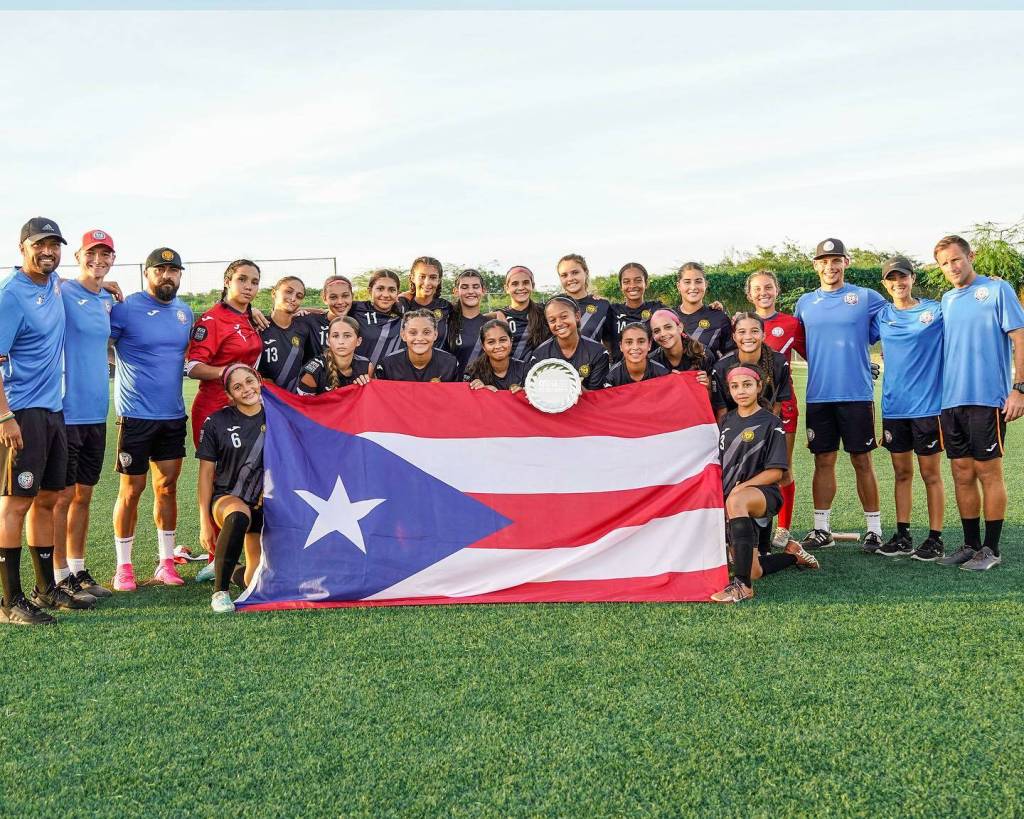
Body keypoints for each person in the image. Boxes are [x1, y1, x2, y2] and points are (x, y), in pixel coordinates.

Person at [0, 218, 95, 626]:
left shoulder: (55, 285)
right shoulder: (10, 296)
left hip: (54, 411)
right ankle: (9, 601)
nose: (49, 252)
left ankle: (45, 589)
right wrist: (5, 417)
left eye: (55, 245)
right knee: (15, 503)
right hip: (21, 412)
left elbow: (80, 285)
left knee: (50, 498)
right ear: (23, 248)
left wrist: (105, 287)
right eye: (41, 245)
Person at [934, 235, 1024, 571]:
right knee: (961, 472)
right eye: (945, 263)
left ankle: (991, 548)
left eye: (956, 259)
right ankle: (970, 544)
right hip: (951, 400)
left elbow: (1019, 337)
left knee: (989, 472)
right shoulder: (946, 300)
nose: (952, 267)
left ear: (970, 256)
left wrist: (1020, 389)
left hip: (987, 399)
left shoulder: (998, 290)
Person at [109, 247, 194, 591]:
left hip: (172, 416)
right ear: (147, 273)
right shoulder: (126, 308)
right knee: (131, 490)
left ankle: (166, 562)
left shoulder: (185, 313)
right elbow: (95, 337)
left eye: (174, 271)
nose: (167, 276)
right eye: (161, 270)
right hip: (135, 416)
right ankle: (124, 567)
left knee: (167, 488)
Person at [794, 238, 886, 553]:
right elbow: (803, 344)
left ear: (846, 262)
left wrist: (867, 360)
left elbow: (894, 322)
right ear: (815, 265)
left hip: (857, 393)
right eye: (824, 261)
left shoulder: (865, 297)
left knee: (862, 459)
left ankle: (874, 530)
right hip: (819, 395)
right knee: (823, 459)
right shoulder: (805, 302)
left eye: (836, 260)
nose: (830, 267)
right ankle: (822, 529)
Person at [711, 365, 819, 604]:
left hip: (764, 494)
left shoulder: (771, 422)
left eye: (747, 385)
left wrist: (741, 487)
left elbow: (777, 473)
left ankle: (742, 587)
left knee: (737, 500)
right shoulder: (726, 420)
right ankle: (793, 555)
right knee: (754, 570)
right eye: (735, 386)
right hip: (733, 498)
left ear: (759, 387)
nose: (741, 391)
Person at [52, 229, 118, 602]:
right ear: (78, 255)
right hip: (65, 410)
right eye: (91, 254)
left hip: (96, 412)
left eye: (105, 254)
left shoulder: (106, 301)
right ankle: (59, 574)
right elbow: (41, 284)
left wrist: (107, 285)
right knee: (61, 497)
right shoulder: (62, 292)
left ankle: (78, 569)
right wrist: (61, 279)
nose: (98, 260)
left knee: (84, 496)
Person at [870, 257, 946, 560]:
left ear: (912, 279)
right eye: (891, 279)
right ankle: (903, 536)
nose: (897, 283)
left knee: (931, 474)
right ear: (885, 284)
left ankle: (935, 538)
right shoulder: (881, 315)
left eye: (902, 278)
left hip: (927, 407)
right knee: (902, 473)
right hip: (894, 407)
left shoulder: (935, 311)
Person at [196, 364, 266, 613]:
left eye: (249, 381)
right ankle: (220, 592)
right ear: (229, 395)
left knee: (255, 583)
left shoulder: (278, 414)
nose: (246, 389)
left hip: (266, 505)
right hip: (229, 499)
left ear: (258, 379)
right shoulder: (217, 422)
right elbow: (205, 474)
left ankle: (227, 568)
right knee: (237, 517)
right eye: (238, 387)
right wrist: (205, 520)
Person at [745, 270, 805, 549]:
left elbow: (813, 354)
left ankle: (783, 528)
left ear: (777, 290)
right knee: (752, 468)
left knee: (782, 470)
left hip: (784, 406)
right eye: (757, 289)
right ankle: (753, 529)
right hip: (749, 408)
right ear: (749, 294)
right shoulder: (743, 323)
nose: (763, 292)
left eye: (768, 287)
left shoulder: (792, 324)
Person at [185, 260, 263, 447]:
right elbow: (193, 367)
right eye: (242, 279)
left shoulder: (249, 316)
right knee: (217, 474)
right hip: (215, 408)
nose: (248, 286)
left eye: (254, 282)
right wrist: (232, 371)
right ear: (227, 281)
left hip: (246, 405)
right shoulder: (212, 319)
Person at [711, 313, 791, 420]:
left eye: (754, 331)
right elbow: (722, 410)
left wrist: (768, 429)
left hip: (767, 424)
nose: (748, 337)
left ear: (763, 336)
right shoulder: (721, 367)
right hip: (733, 427)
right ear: (734, 337)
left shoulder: (779, 362)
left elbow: (777, 404)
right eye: (742, 332)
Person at [529, 296, 610, 390]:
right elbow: (537, 392)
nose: (558, 323)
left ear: (577, 316)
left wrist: (572, 386)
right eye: (552, 320)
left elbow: (598, 397)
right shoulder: (539, 355)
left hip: (587, 404)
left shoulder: (598, 352)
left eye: (564, 317)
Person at [258, 276, 317, 392]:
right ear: (274, 293)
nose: (293, 298)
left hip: (293, 400)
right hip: (265, 398)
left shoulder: (303, 328)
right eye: (288, 292)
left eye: (299, 296)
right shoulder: (259, 325)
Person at [376, 310, 459, 382]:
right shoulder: (388, 364)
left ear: (435, 334)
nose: (419, 338)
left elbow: (458, 395)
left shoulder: (450, 363)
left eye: (426, 332)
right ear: (403, 335)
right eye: (413, 333)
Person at [674, 262, 735, 360]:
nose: (693, 287)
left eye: (698, 281)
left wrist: (714, 374)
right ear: (678, 286)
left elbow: (731, 355)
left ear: (705, 284)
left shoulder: (719, 318)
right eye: (687, 282)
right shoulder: (669, 317)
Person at [298, 316, 373, 394]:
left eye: (347, 336)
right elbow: (304, 405)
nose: (341, 341)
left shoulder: (366, 366)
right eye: (335, 336)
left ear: (358, 341)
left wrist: (365, 385)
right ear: (328, 341)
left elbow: (370, 401)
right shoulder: (314, 371)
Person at [556, 254, 616, 351]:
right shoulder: (553, 306)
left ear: (586, 272)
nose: (570, 278)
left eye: (575, 272)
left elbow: (609, 344)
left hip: (594, 365)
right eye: (564, 275)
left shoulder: (602, 305)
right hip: (560, 365)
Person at [351, 269, 405, 368]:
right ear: (370, 291)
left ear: (398, 293)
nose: (385, 295)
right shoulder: (356, 308)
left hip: (391, 376)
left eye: (392, 290)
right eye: (380, 289)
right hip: (361, 376)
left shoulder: (403, 310)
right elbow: (335, 309)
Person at [648, 309, 714, 389]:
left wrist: (706, 386)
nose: (663, 334)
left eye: (668, 327)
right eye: (656, 331)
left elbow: (710, 397)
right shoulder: (651, 361)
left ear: (680, 327)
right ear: (653, 336)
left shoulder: (703, 354)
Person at [610, 262, 663, 358]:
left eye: (638, 280)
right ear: (621, 286)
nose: (632, 285)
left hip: (654, 370)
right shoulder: (611, 311)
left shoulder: (658, 309)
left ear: (646, 283)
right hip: (620, 371)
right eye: (626, 282)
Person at [399, 256, 452, 350]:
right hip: (405, 363)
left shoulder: (446, 307)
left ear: (439, 280)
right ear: (412, 278)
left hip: (439, 364)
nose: (427, 282)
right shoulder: (401, 305)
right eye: (422, 277)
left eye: (433, 277)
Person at [499, 265, 549, 361]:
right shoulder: (501, 316)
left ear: (532, 286)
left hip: (540, 371)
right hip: (512, 373)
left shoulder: (544, 311)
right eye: (515, 284)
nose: (521, 287)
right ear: (506, 288)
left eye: (526, 283)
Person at [464, 319, 528, 392]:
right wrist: (481, 391)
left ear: (511, 341)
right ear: (483, 346)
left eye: (502, 340)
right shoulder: (472, 371)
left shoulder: (525, 369)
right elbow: (465, 399)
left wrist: (523, 393)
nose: (498, 346)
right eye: (491, 342)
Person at [447, 269, 489, 379]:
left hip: (483, 388)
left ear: (483, 290)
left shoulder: (491, 325)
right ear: (456, 291)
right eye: (464, 287)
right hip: (453, 388)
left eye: (475, 287)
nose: (470, 291)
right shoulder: (447, 323)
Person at [301, 274, 353, 354]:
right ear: (324, 298)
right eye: (333, 297)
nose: (340, 302)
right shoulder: (311, 321)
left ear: (352, 296)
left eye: (345, 296)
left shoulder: (359, 318)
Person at [604, 323, 669, 386]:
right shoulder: (611, 377)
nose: (635, 347)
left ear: (649, 345)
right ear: (621, 346)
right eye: (629, 342)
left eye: (641, 342)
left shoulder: (662, 373)